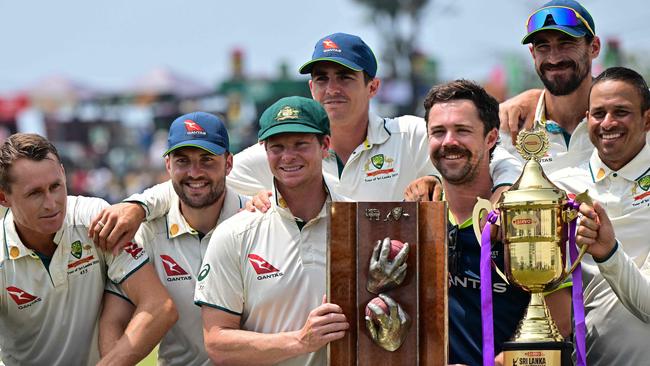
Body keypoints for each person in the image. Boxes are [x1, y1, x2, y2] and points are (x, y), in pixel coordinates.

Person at [87, 32, 523, 253]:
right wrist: (138, 205)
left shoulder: (410, 135)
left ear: (372, 86)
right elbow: (201, 176)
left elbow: (496, 153)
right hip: (315, 308)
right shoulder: (285, 153)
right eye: (321, 78)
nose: (331, 88)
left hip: (397, 304)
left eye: (344, 77)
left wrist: (504, 190)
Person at [422, 80, 570, 365]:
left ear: (491, 138)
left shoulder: (527, 218)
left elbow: (560, 323)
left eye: (462, 131)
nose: (448, 141)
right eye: (438, 132)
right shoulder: (422, 220)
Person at [194, 96, 349, 365]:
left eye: (300, 144)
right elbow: (217, 342)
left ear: (325, 145)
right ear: (264, 151)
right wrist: (301, 341)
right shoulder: (235, 233)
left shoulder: (360, 220)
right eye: (277, 147)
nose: (288, 157)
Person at [0, 133, 177, 365]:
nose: (51, 203)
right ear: (3, 197)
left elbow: (160, 306)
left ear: (63, 173)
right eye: (35, 193)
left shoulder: (94, 218)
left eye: (56, 186)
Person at [98, 112, 248, 365]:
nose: (194, 172)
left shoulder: (254, 219)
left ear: (229, 163)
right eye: (182, 161)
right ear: (168, 165)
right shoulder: (147, 232)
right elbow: (115, 318)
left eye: (207, 160)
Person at [550, 66, 650, 365]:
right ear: (586, 119)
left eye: (621, 111)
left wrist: (608, 252)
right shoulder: (557, 186)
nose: (608, 123)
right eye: (598, 113)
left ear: (648, 119)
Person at [498, 0, 650, 173]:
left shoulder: (639, 115)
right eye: (543, 46)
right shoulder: (508, 127)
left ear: (594, 47)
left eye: (566, 43)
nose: (554, 58)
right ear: (533, 54)